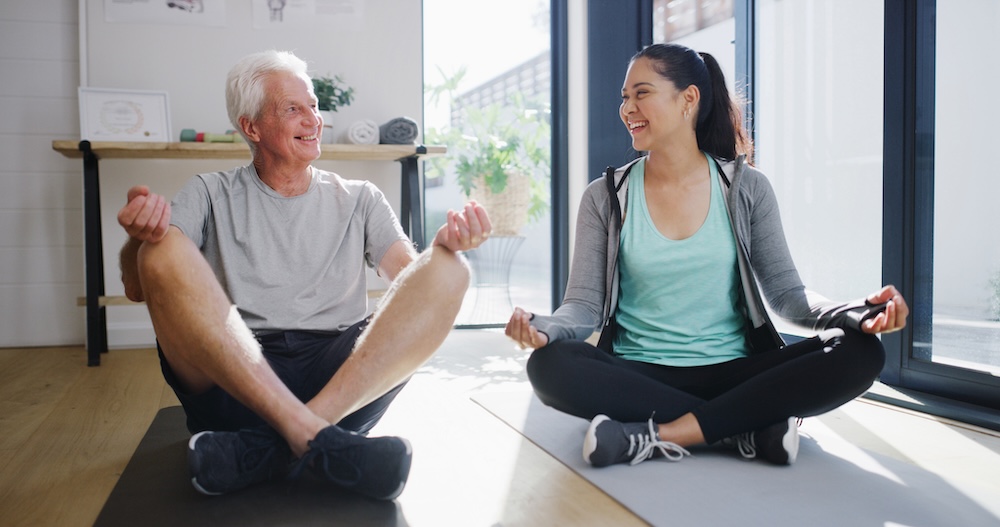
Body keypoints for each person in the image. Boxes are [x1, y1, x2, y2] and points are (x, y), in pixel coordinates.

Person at [505, 43, 908, 468]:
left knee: (863, 351)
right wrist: (548, 326)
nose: (627, 108)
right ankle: (742, 427)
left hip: (734, 373)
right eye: (624, 97)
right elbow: (583, 305)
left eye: (641, 93)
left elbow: (788, 295)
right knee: (549, 365)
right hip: (639, 373)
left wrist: (853, 312)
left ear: (688, 99)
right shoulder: (605, 196)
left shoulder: (746, 188)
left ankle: (658, 434)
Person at [117, 50, 491, 498]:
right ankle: (316, 439)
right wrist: (139, 239)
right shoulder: (208, 191)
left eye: (313, 106)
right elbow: (141, 284)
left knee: (450, 270)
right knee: (158, 251)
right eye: (293, 109)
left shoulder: (361, 198)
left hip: (340, 380)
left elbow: (410, 279)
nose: (313, 119)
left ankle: (272, 444)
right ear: (251, 127)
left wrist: (443, 249)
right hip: (234, 375)